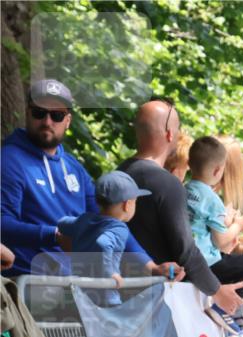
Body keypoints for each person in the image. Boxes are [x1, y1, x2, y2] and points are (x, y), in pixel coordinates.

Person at [2, 80, 177, 282]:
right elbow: (2, 223)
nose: (47, 121)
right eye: (39, 113)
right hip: (29, 284)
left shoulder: (73, 167)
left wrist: (152, 267)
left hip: (75, 285)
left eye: (57, 115)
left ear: (68, 120)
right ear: (27, 113)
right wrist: (52, 235)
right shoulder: (8, 160)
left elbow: (109, 222)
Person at [119, 98, 243, 322]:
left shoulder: (118, 174)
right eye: (177, 131)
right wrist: (217, 291)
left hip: (121, 293)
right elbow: (186, 249)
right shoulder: (169, 185)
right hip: (161, 303)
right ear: (169, 135)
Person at [185, 136, 243, 337]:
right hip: (209, 263)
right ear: (219, 170)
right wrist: (238, 225)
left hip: (188, 260)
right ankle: (225, 310)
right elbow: (221, 241)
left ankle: (236, 327)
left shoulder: (182, 190)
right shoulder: (212, 200)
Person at [57, 171, 151, 306]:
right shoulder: (119, 229)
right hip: (105, 298)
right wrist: (110, 274)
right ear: (127, 204)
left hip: (79, 294)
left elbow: (62, 222)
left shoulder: (84, 220)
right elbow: (103, 243)